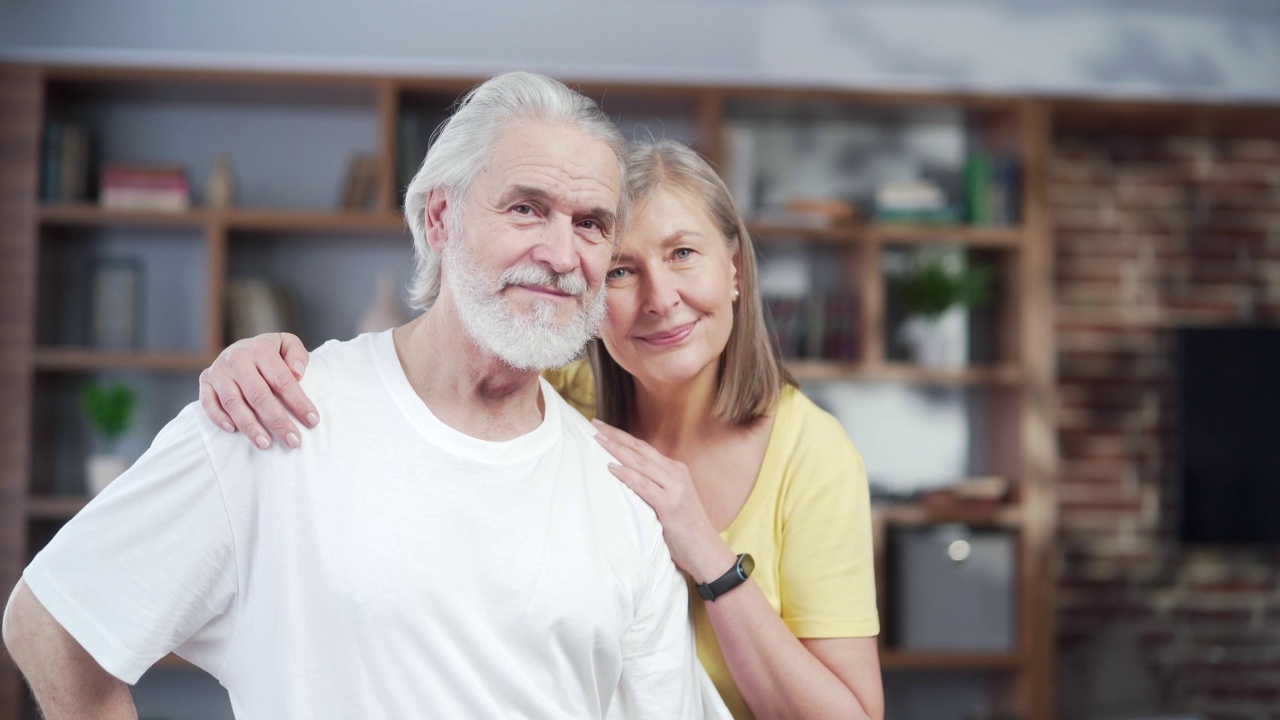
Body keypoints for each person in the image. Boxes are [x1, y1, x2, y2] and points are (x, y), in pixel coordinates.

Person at [2, 72, 731, 720]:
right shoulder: (273, 413)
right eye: (525, 209)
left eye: (591, 224)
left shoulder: (622, 494)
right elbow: (52, 621)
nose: (562, 253)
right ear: (441, 220)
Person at [199, 138, 886, 719]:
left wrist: (707, 555)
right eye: (621, 270)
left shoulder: (812, 455)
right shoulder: (550, 399)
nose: (659, 299)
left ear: (734, 268)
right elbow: (411, 385)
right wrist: (267, 362)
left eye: (683, 254)